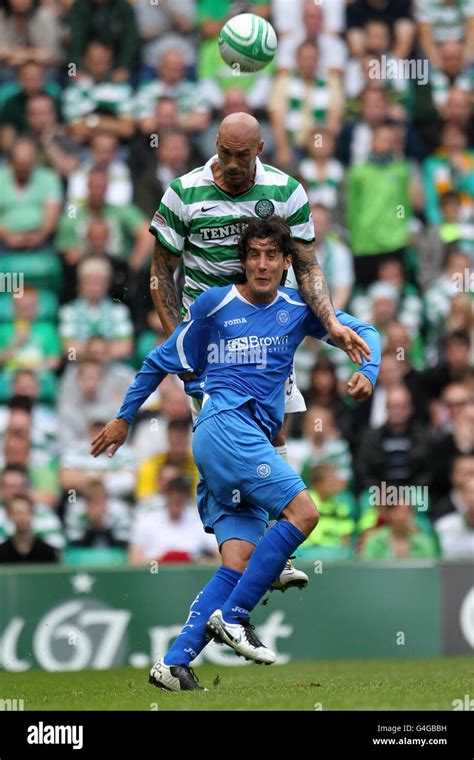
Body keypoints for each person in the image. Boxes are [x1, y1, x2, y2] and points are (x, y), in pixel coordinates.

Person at [91, 217, 381, 690]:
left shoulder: (298, 307)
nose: (262, 265)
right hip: (225, 427)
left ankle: (174, 663)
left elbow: (365, 330)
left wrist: (369, 369)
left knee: (238, 562)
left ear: (288, 263)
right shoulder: (215, 305)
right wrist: (124, 417)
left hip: (242, 443)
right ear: (242, 262)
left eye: (272, 256)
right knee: (304, 514)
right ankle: (237, 617)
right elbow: (159, 359)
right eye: (254, 256)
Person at [149, 111, 371, 590]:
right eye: (224, 153)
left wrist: (331, 321)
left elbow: (308, 267)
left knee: (272, 435)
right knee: (230, 450)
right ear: (216, 145)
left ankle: (274, 549)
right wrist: (181, 347)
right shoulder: (183, 193)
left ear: (260, 150)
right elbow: (160, 274)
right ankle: (248, 560)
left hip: (269, 337)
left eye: (242, 155)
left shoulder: (286, 193)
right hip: (210, 347)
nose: (231, 164)